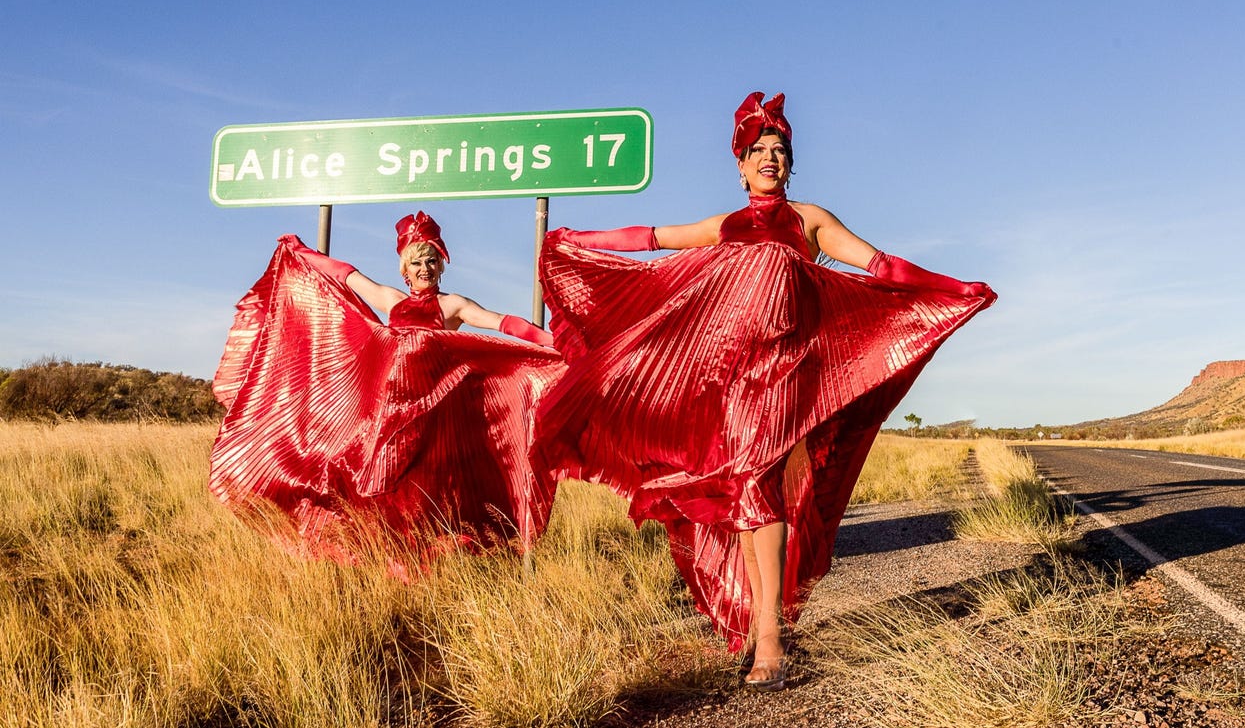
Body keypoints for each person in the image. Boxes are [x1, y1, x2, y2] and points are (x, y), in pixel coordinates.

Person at [539, 92, 994, 689]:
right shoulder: (725, 226)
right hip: (730, 378)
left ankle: (770, 640)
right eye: (759, 151)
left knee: (760, 488)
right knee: (745, 495)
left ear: (790, 162)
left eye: (780, 150)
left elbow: (877, 265)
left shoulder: (809, 220)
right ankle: (762, 623)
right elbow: (652, 238)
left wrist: (949, 286)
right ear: (740, 164)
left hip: (788, 376)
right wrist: (577, 240)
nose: (771, 159)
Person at [210, 211, 563, 568]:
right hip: (387, 411)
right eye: (416, 262)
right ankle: (379, 555)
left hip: (433, 416)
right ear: (404, 269)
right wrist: (301, 252)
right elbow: (347, 276)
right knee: (374, 483)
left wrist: (558, 342)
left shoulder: (451, 305)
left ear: (442, 265)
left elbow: (504, 323)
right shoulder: (392, 300)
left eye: (431, 261)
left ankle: (429, 562)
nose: (424, 268)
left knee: (428, 492)